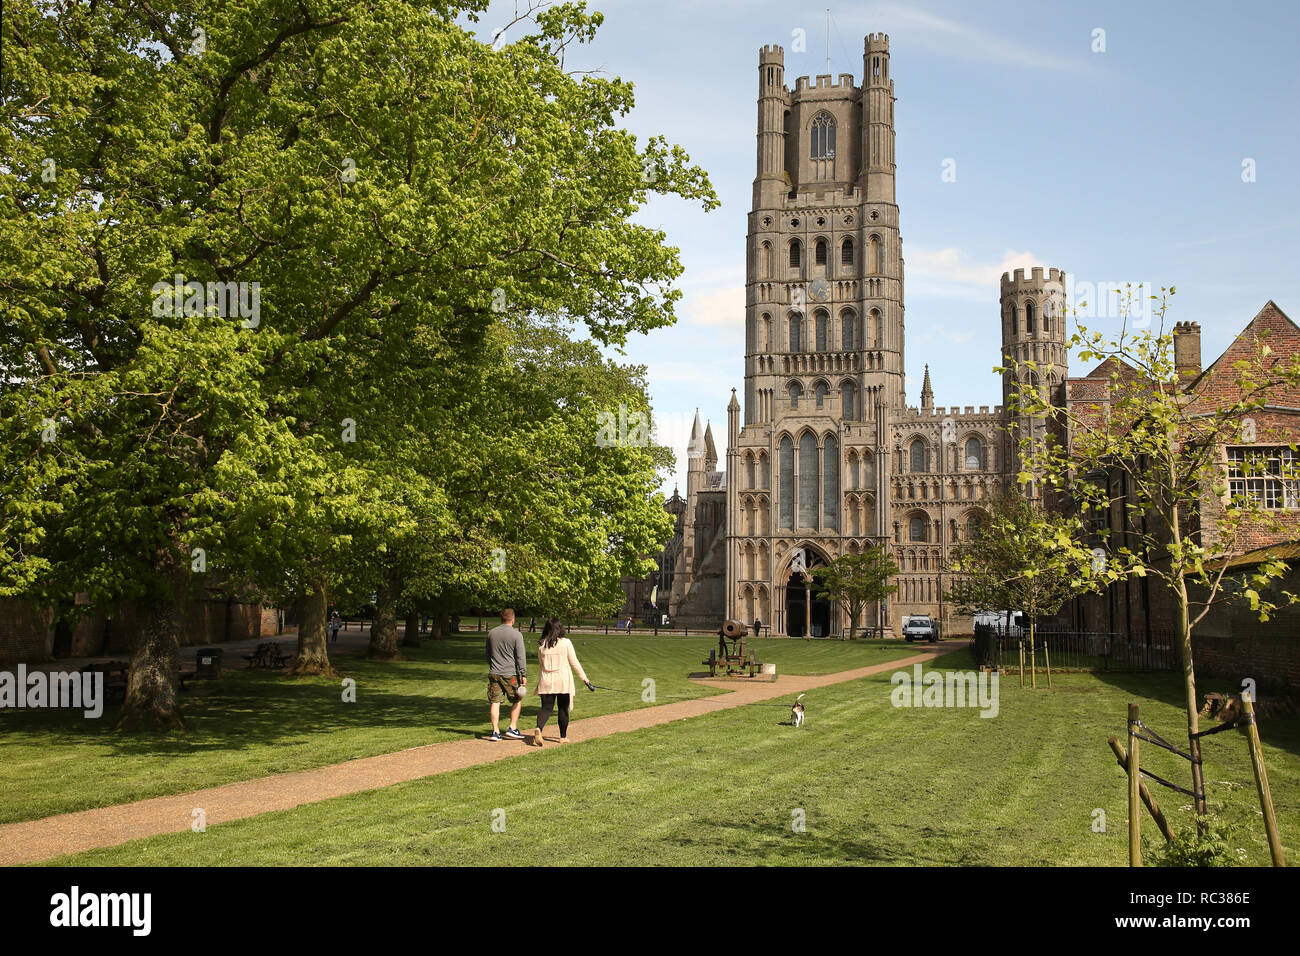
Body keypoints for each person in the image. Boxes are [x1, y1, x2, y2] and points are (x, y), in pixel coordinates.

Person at [528, 619, 591, 747]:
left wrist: (540, 683)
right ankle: (563, 737)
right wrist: (584, 678)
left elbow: (541, 667)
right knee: (563, 709)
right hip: (562, 680)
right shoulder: (566, 643)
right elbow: (574, 662)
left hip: (546, 680)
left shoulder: (542, 645)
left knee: (546, 708)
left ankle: (539, 728)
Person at [486, 608, 527, 741]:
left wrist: (492, 665)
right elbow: (521, 657)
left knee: (495, 702)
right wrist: (523, 674)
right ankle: (512, 728)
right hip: (510, 673)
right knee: (517, 699)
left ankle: (495, 731)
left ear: (501, 619)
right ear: (513, 620)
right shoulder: (517, 635)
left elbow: (488, 653)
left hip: (494, 672)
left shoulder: (491, 633)